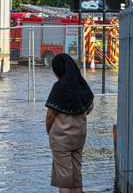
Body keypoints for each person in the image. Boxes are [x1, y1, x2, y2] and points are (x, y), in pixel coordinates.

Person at [45, 53, 94, 193]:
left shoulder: (59, 87)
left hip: (61, 140)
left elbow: (50, 115)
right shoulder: (82, 84)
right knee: (76, 176)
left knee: (65, 178)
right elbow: (89, 106)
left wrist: (49, 131)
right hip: (79, 137)